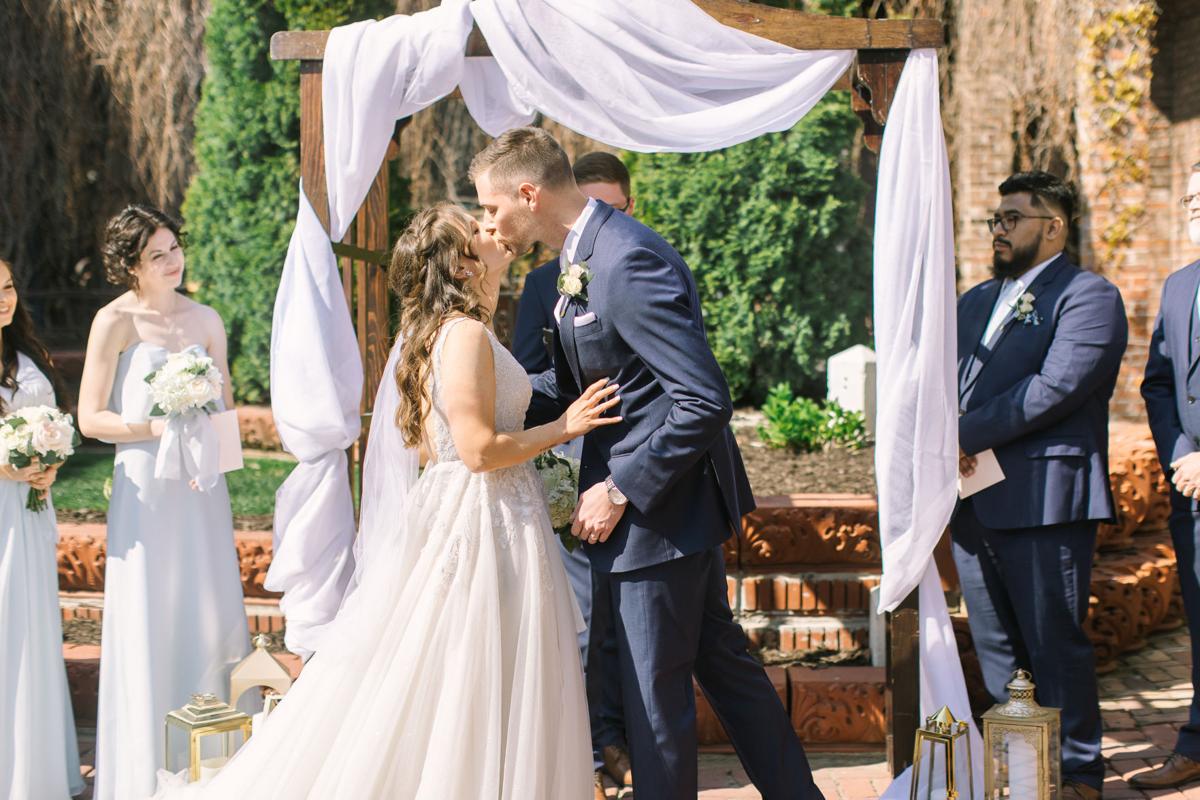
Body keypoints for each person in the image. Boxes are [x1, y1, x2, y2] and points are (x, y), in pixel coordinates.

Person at [148, 202, 621, 799]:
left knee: (460, 667)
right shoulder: (466, 334)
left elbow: (432, 444)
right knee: (473, 666)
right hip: (482, 512)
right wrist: (565, 428)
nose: (491, 228)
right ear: (461, 263)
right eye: (475, 229)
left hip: (478, 507)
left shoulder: (445, 332)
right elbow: (474, 451)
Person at [473, 126, 823, 800]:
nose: (491, 222)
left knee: (653, 703)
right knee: (725, 671)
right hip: (665, 515)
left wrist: (620, 487)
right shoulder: (584, 255)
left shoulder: (626, 259)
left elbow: (702, 398)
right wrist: (489, 394)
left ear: (528, 192)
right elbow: (599, 385)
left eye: (492, 207)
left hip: (659, 515)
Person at [954, 172, 1127, 800]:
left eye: (1012, 218)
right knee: (997, 646)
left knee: (1055, 644)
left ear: (1053, 227)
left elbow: (1053, 389)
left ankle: (1079, 771)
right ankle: (1021, 772)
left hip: (1045, 499)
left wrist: (962, 433)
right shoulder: (974, 300)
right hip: (973, 500)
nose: (999, 230)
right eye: (995, 219)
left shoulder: (1088, 296)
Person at [78, 205, 251, 800]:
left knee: (206, 600)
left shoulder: (206, 318)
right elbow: (90, 417)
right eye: (158, 254)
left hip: (201, 488)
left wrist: (214, 458)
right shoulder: (114, 321)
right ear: (131, 265)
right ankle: (143, 763)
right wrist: (159, 428)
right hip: (146, 487)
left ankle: (220, 757)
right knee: (151, 604)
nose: (173, 260)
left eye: (175, 247)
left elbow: (224, 408)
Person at [512, 150, 634, 798]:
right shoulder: (542, 285)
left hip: (645, 472)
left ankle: (618, 741)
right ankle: (589, 748)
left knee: (628, 624)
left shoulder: (642, 266)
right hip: (573, 470)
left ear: (628, 207)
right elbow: (528, 382)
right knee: (587, 621)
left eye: (609, 209)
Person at [0, 255, 84, 799]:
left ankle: (35, 766)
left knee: (29, 624)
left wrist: (51, 460)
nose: (3, 299)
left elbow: (55, 424)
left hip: (30, 507)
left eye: (7, 287)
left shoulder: (27, 353)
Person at [1138, 160, 1200, 790]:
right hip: (1193, 491)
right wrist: (1182, 453)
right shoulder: (1179, 286)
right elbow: (1158, 383)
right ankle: (1199, 740)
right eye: (1188, 200)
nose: (1193, 209)